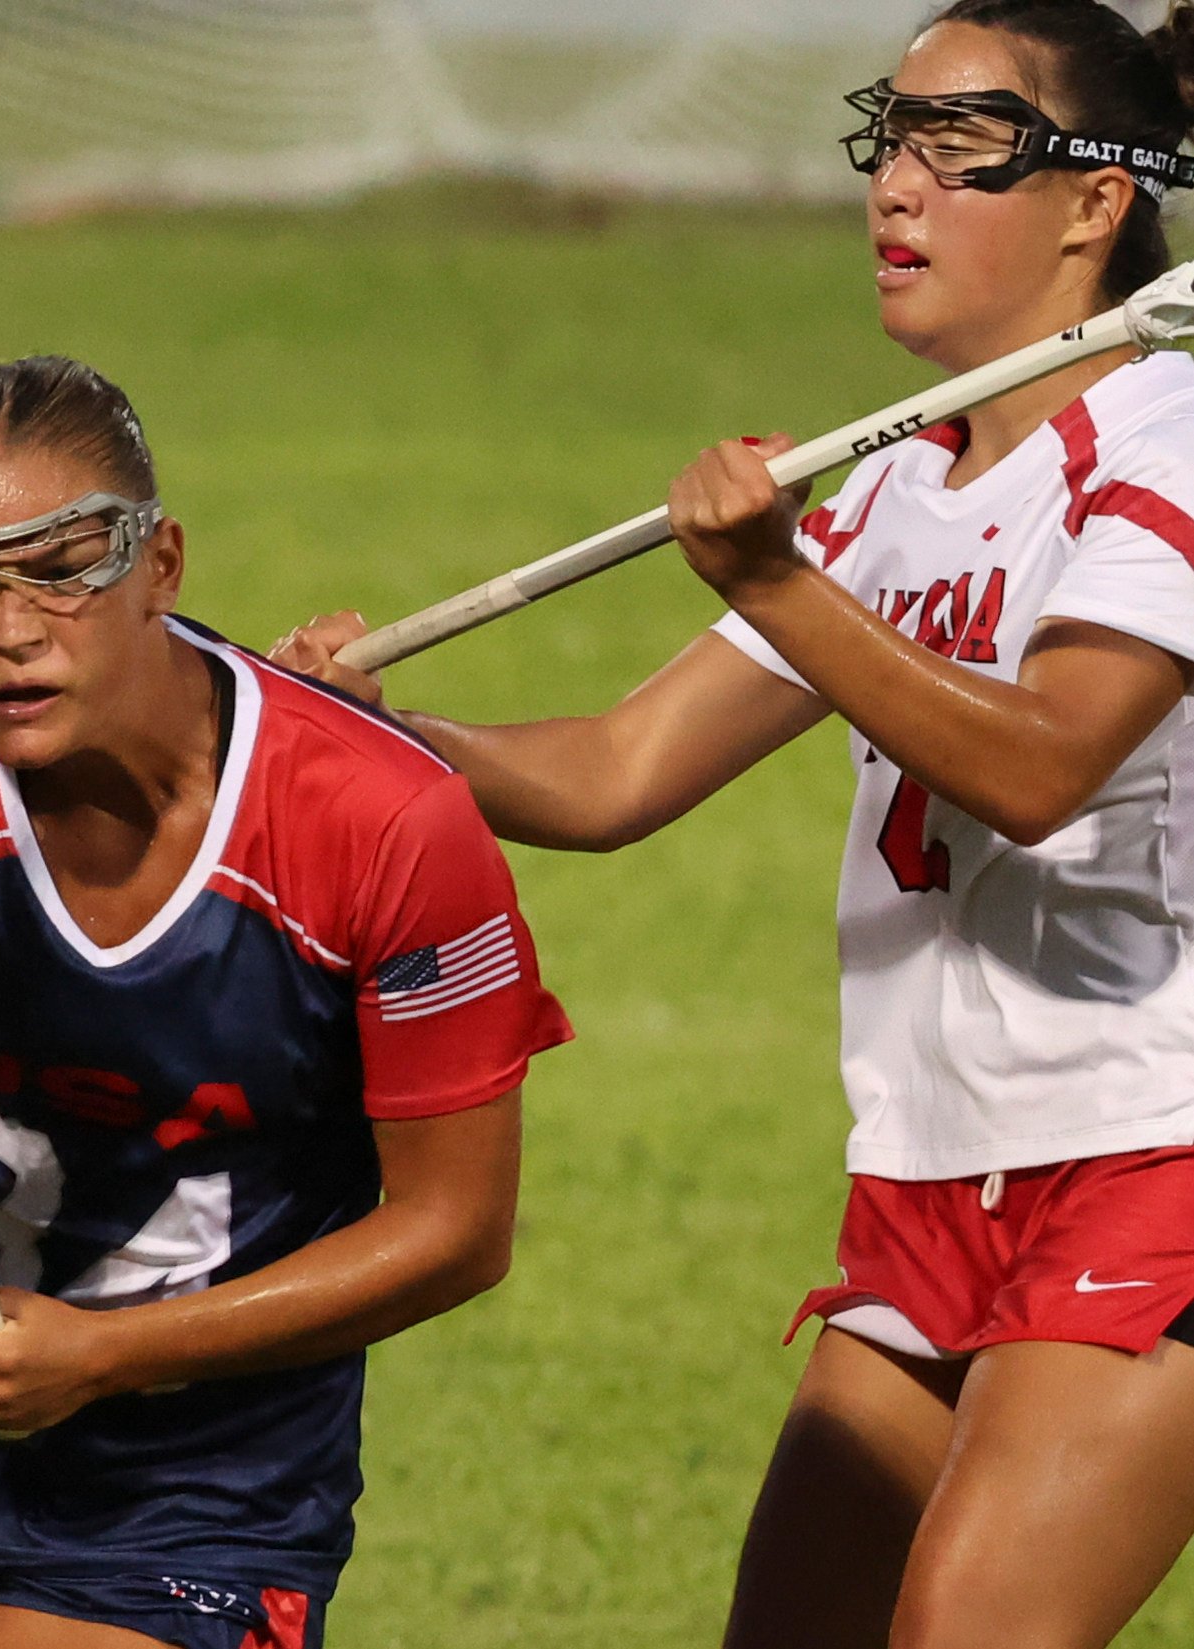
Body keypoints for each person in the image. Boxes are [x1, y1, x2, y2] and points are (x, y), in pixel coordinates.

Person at [274, 4, 1194, 1645]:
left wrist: (778, 580)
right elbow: (616, 773)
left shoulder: (1167, 444)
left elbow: (1047, 762)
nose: (894, 190)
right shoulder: (891, 490)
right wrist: (377, 728)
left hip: (1151, 1158)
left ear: (1092, 202)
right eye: (887, 140)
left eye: (956, 148)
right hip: (927, 1173)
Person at [0, 344, 570, 1649]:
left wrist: (108, 1354)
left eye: (60, 567)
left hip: (174, 1490)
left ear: (160, 563)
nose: (9, 629)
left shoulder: (384, 821)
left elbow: (458, 1226)